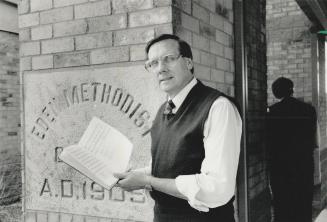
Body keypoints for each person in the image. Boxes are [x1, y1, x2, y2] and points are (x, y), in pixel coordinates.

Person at [114, 34, 242, 222]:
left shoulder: (218, 107)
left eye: (169, 59)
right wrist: (135, 175)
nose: (161, 69)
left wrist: (148, 182)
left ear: (188, 62)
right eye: (153, 63)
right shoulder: (163, 111)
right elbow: (166, 167)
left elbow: (217, 188)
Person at [267, 77, 317, 222]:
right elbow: (314, 141)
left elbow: (269, 143)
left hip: (281, 169)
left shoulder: (272, 112)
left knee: (282, 207)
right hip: (304, 166)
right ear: (292, 90)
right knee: (303, 206)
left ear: (276, 92)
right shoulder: (309, 110)